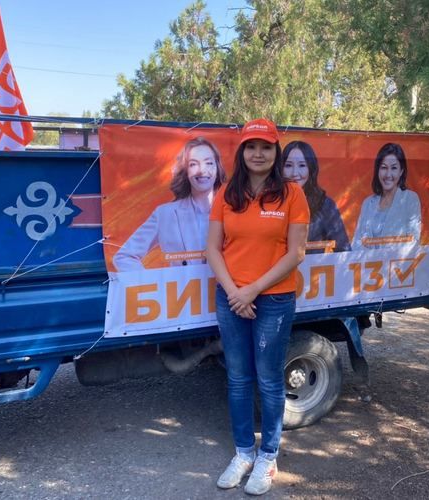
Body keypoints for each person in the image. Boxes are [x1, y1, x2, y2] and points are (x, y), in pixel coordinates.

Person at [207, 118, 309, 495]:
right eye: (251, 146)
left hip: (274, 299)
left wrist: (252, 290)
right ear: (242, 151)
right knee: (237, 378)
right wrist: (236, 292)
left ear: (276, 152)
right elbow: (212, 249)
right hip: (231, 297)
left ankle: (268, 456)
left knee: (268, 380)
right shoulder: (226, 193)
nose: (258, 153)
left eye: (266, 147)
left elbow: (296, 253)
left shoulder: (292, 194)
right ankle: (243, 453)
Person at [113, 137, 226, 271]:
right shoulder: (164, 214)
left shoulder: (233, 209)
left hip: (226, 285)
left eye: (209, 163)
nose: (202, 170)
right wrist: (152, 283)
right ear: (185, 170)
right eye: (193, 164)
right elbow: (124, 257)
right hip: (185, 285)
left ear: (217, 168)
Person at [282, 141, 350, 253]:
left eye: (302, 165)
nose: (295, 173)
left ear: (311, 168)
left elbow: (343, 251)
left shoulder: (325, 205)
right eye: (288, 165)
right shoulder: (273, 202)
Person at [352, 143, 421, 249]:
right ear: (378, 170)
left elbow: (413, 242)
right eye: (384, 167)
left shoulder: (410, 199)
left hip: (398, 260)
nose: (388, 174)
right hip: (368, 260)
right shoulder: (367, 203)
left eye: (394, 168)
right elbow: (356, 243)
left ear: (401, 171)